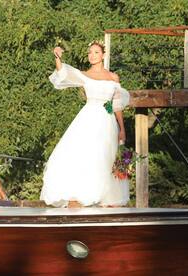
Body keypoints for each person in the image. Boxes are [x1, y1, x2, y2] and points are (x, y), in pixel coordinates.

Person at [40, 40, 130, 208]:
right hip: (89, 118)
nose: (92, 55)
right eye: (89, 52)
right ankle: (79, 193)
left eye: (96, 52)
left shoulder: (113, 77)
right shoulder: (84, 75)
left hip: (107, 120)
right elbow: (64, 73)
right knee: (85, 154)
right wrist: (57, 57)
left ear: (103, 55)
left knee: (106, 157)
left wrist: (122, 129)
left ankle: (106, 195)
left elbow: (116, 105)